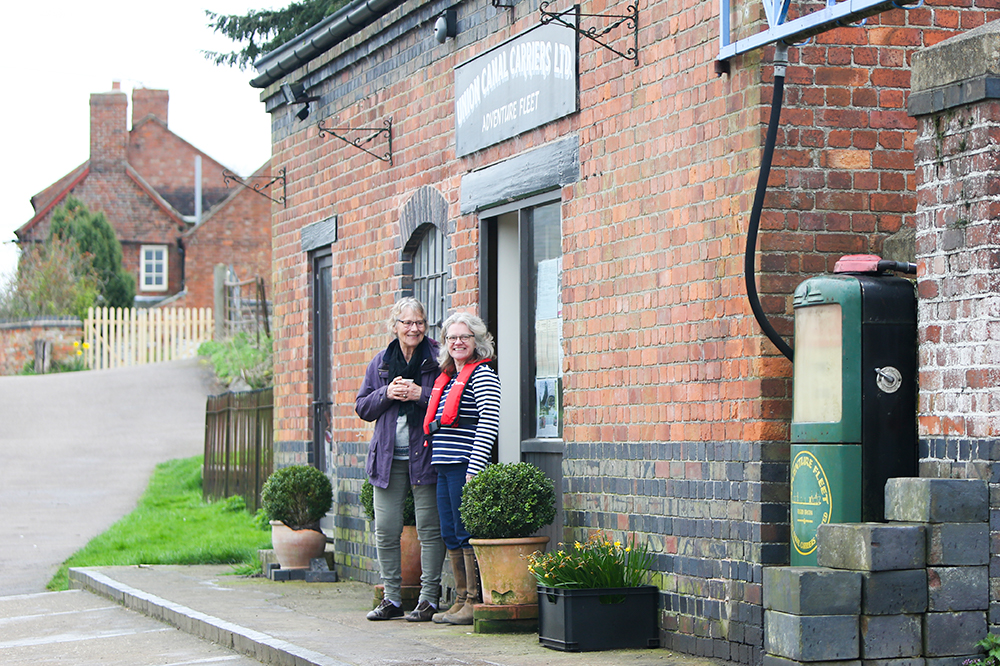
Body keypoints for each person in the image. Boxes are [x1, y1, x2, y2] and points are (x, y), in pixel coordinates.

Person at [356, 298, 446, 622]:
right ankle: (392, 599)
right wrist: (387, 394)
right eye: (407, 323)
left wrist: (418, 394)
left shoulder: (437, 359)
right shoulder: (381, 362)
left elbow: (449, 401)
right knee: (386, 528)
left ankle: (429, 599)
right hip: (389, 459)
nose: (414, 329)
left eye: (419, 322)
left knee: (430, 529)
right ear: (394, 326)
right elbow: (362, 407)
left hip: (426, 456)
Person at [423, 312, 501, 625]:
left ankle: (473, 601)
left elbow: (488, 422)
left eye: (464, 337)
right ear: (445, 342)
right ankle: (459, 599)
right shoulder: (450, 377)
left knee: (466, 532)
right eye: (452, 337)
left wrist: (474, 468)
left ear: (477, 342)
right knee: (451, 533)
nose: (458, 342)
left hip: (463, 466)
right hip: (443, 466)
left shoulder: (481, 375)